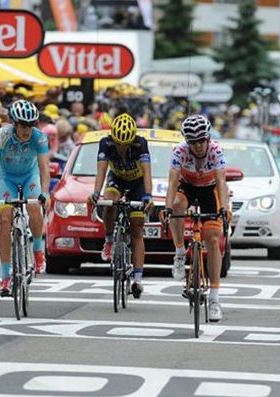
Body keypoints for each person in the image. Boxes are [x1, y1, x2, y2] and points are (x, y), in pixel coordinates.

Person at [0, 100, 50, 297]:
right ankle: (5, 276)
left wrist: (45, 192)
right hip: (7, 179)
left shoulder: (39, 137)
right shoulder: (0, 136)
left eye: (31, 125)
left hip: (30, 177)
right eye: (23, 125)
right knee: (5, 220)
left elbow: (44, 166)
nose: (27, 130)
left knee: (35, 207)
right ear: (14, 123)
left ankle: (37, 250)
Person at [163, 114, 229, 322]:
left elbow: (221, 181)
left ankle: (215, 299)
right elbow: (173, 182)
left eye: (202, 140)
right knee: (176, 206)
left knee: (212, 238)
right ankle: (180, 252)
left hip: (210, 189)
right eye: (193, 142)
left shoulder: (216, 150)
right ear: (187, 142)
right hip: (188, 186)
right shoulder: (179, 151)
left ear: (208, 138)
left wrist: (225, 207)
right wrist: (166, 207)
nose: (198, 146)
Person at [87, 113, 153, 298]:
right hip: (116, 180)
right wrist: (95, 193)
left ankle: (138, 279)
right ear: (113, 139)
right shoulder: (106, 143)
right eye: (119, 144)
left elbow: (147, 172)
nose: (122, 148)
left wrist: (148, 195)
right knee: (109, 202)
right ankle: (109, 241)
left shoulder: (140, 143)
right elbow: (101, 170)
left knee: (137, 230)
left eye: (126, 145)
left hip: (137, 184)